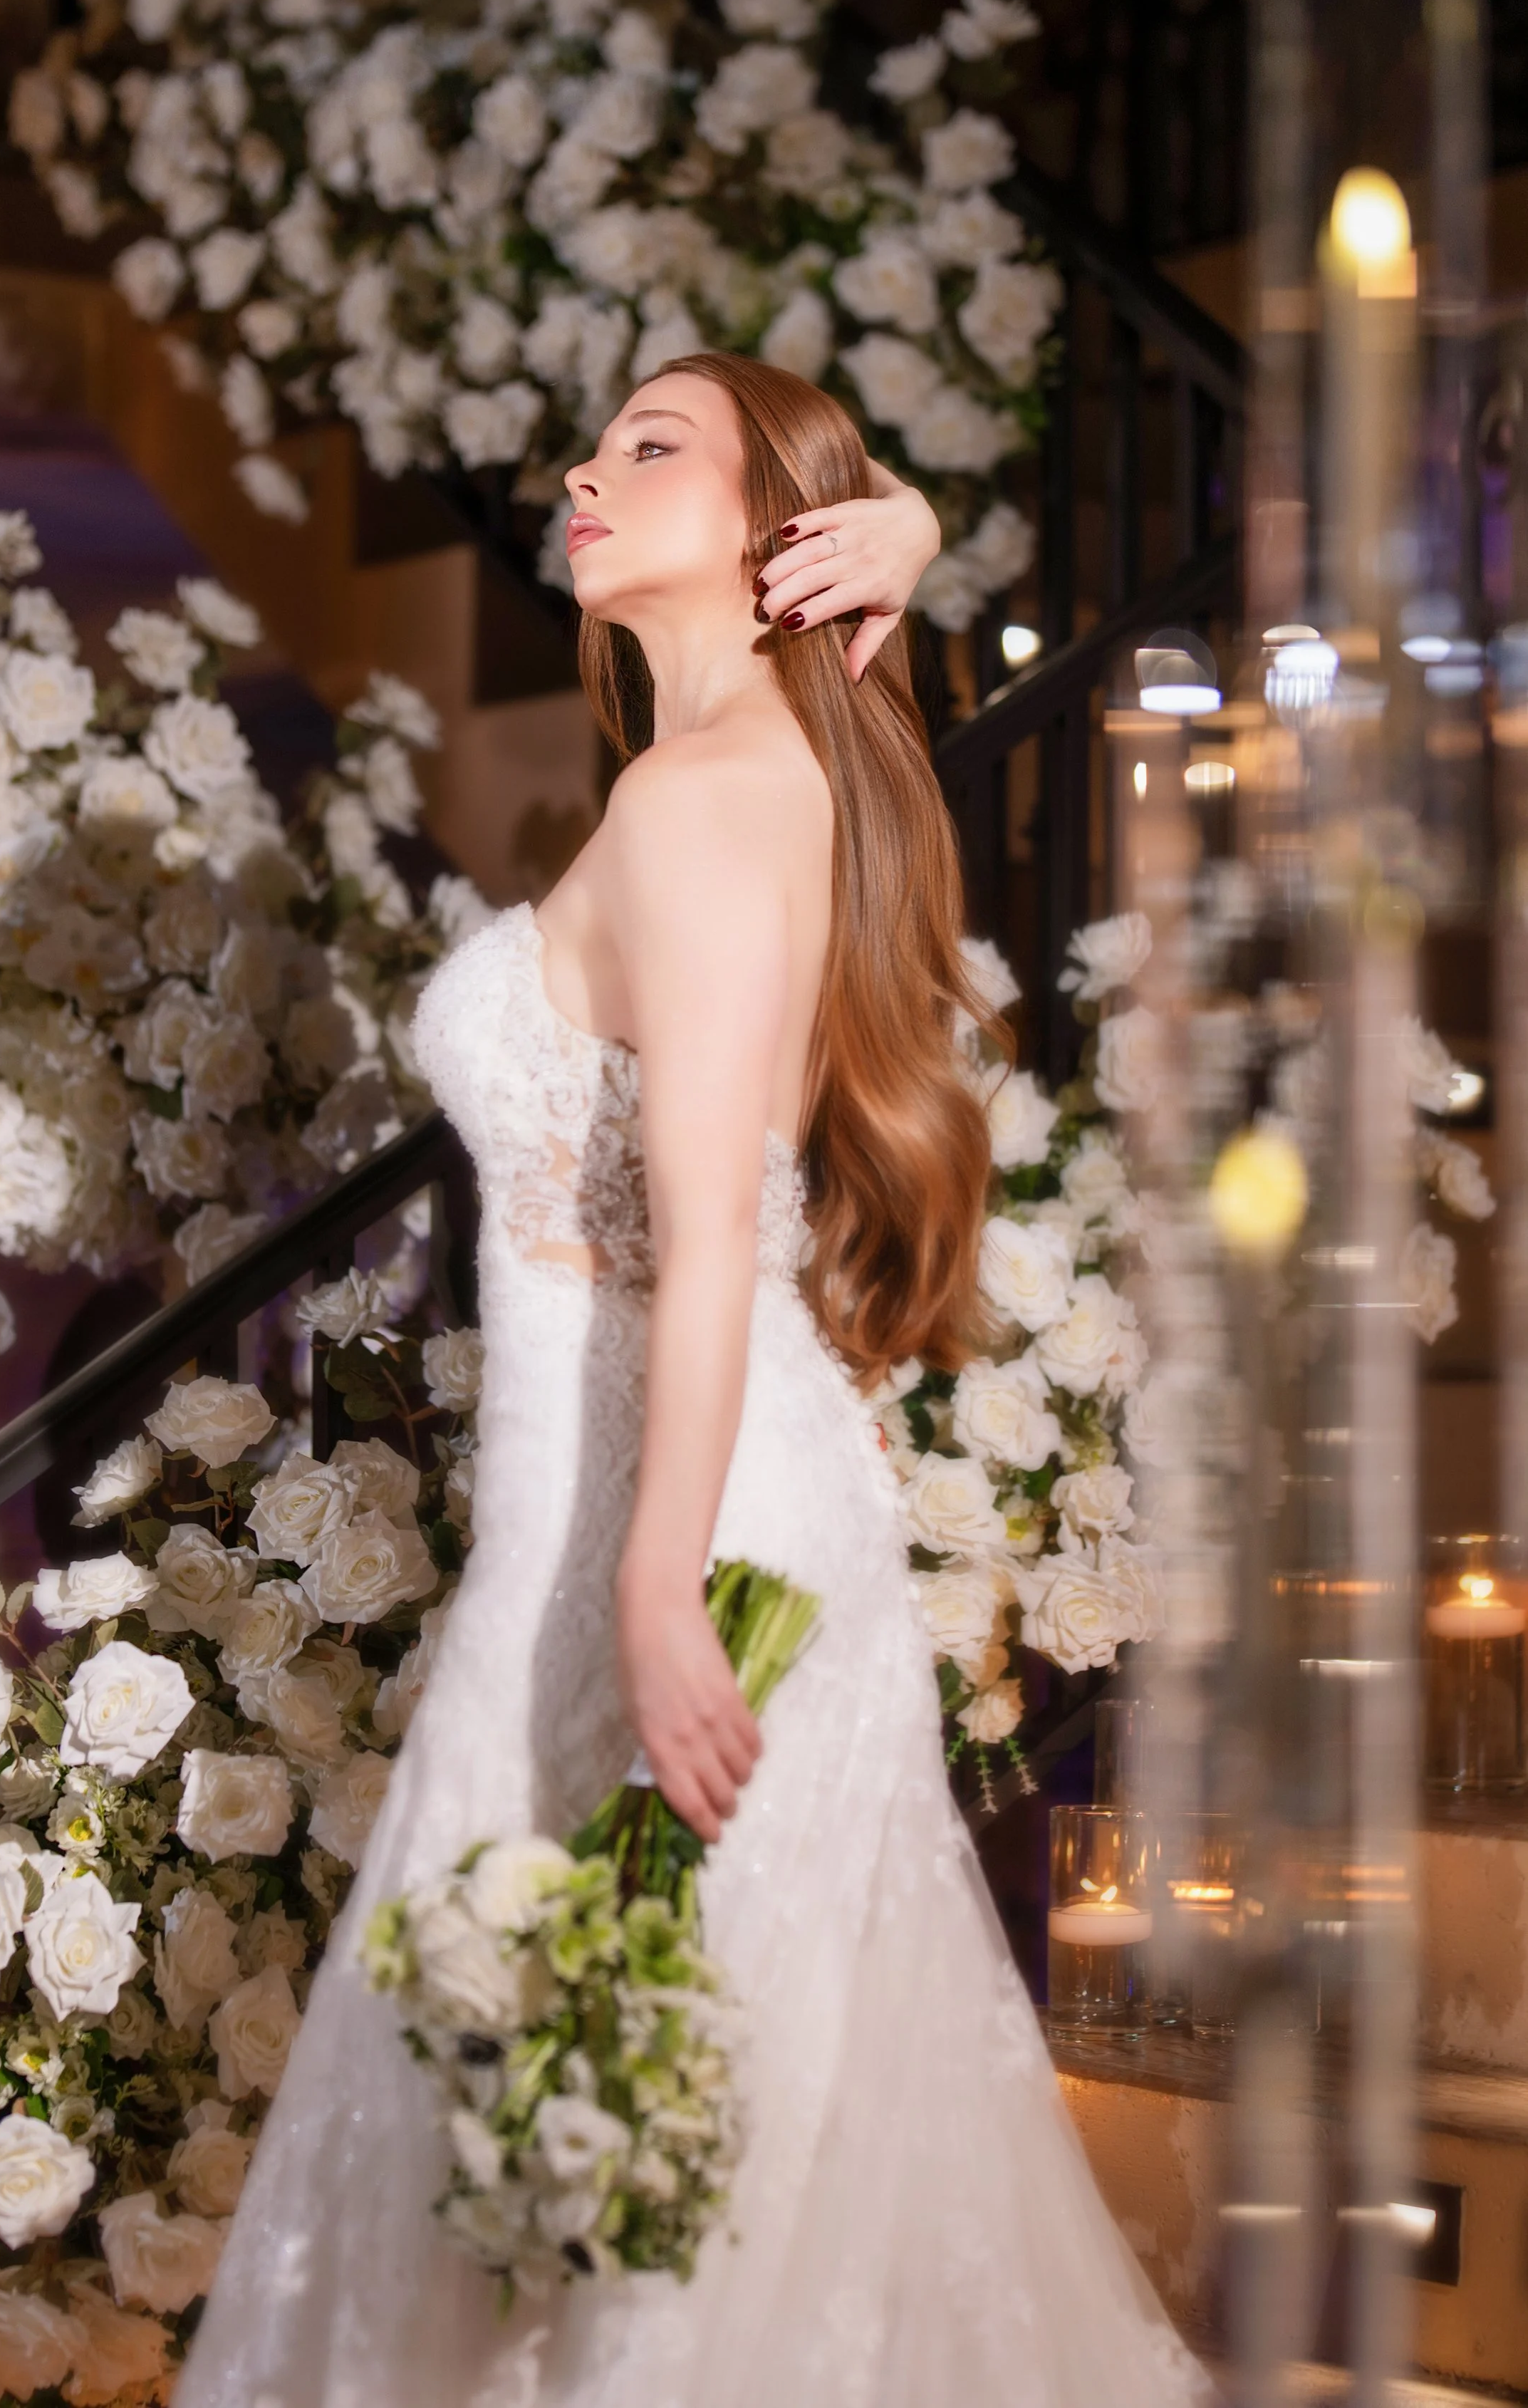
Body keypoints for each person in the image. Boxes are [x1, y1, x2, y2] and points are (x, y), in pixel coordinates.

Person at [182, 356, 1206, 2407]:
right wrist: (894, 530)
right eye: (594, 435)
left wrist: (656, 1590)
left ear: (764, 532)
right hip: (625, 1510)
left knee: (671, 2175)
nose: (579, 463)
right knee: (607, 2150)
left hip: (684, 1525)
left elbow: (718, 1222)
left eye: (652, 442)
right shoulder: (735, 767)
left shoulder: (709, 790)